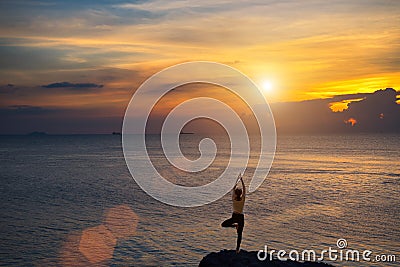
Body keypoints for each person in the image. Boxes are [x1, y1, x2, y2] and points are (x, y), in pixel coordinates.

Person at [221, 173, 246, 253]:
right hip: (240, 217)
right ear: (241, 193)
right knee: (240, 234)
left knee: (223, 224)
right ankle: (237, 249)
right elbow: (244, 189)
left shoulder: (233, 199)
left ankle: (234, 225)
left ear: (235, 193)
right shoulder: (243, 199)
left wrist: (237, 180)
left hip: (235, 216)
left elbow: (233, 189)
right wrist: (241, 180)